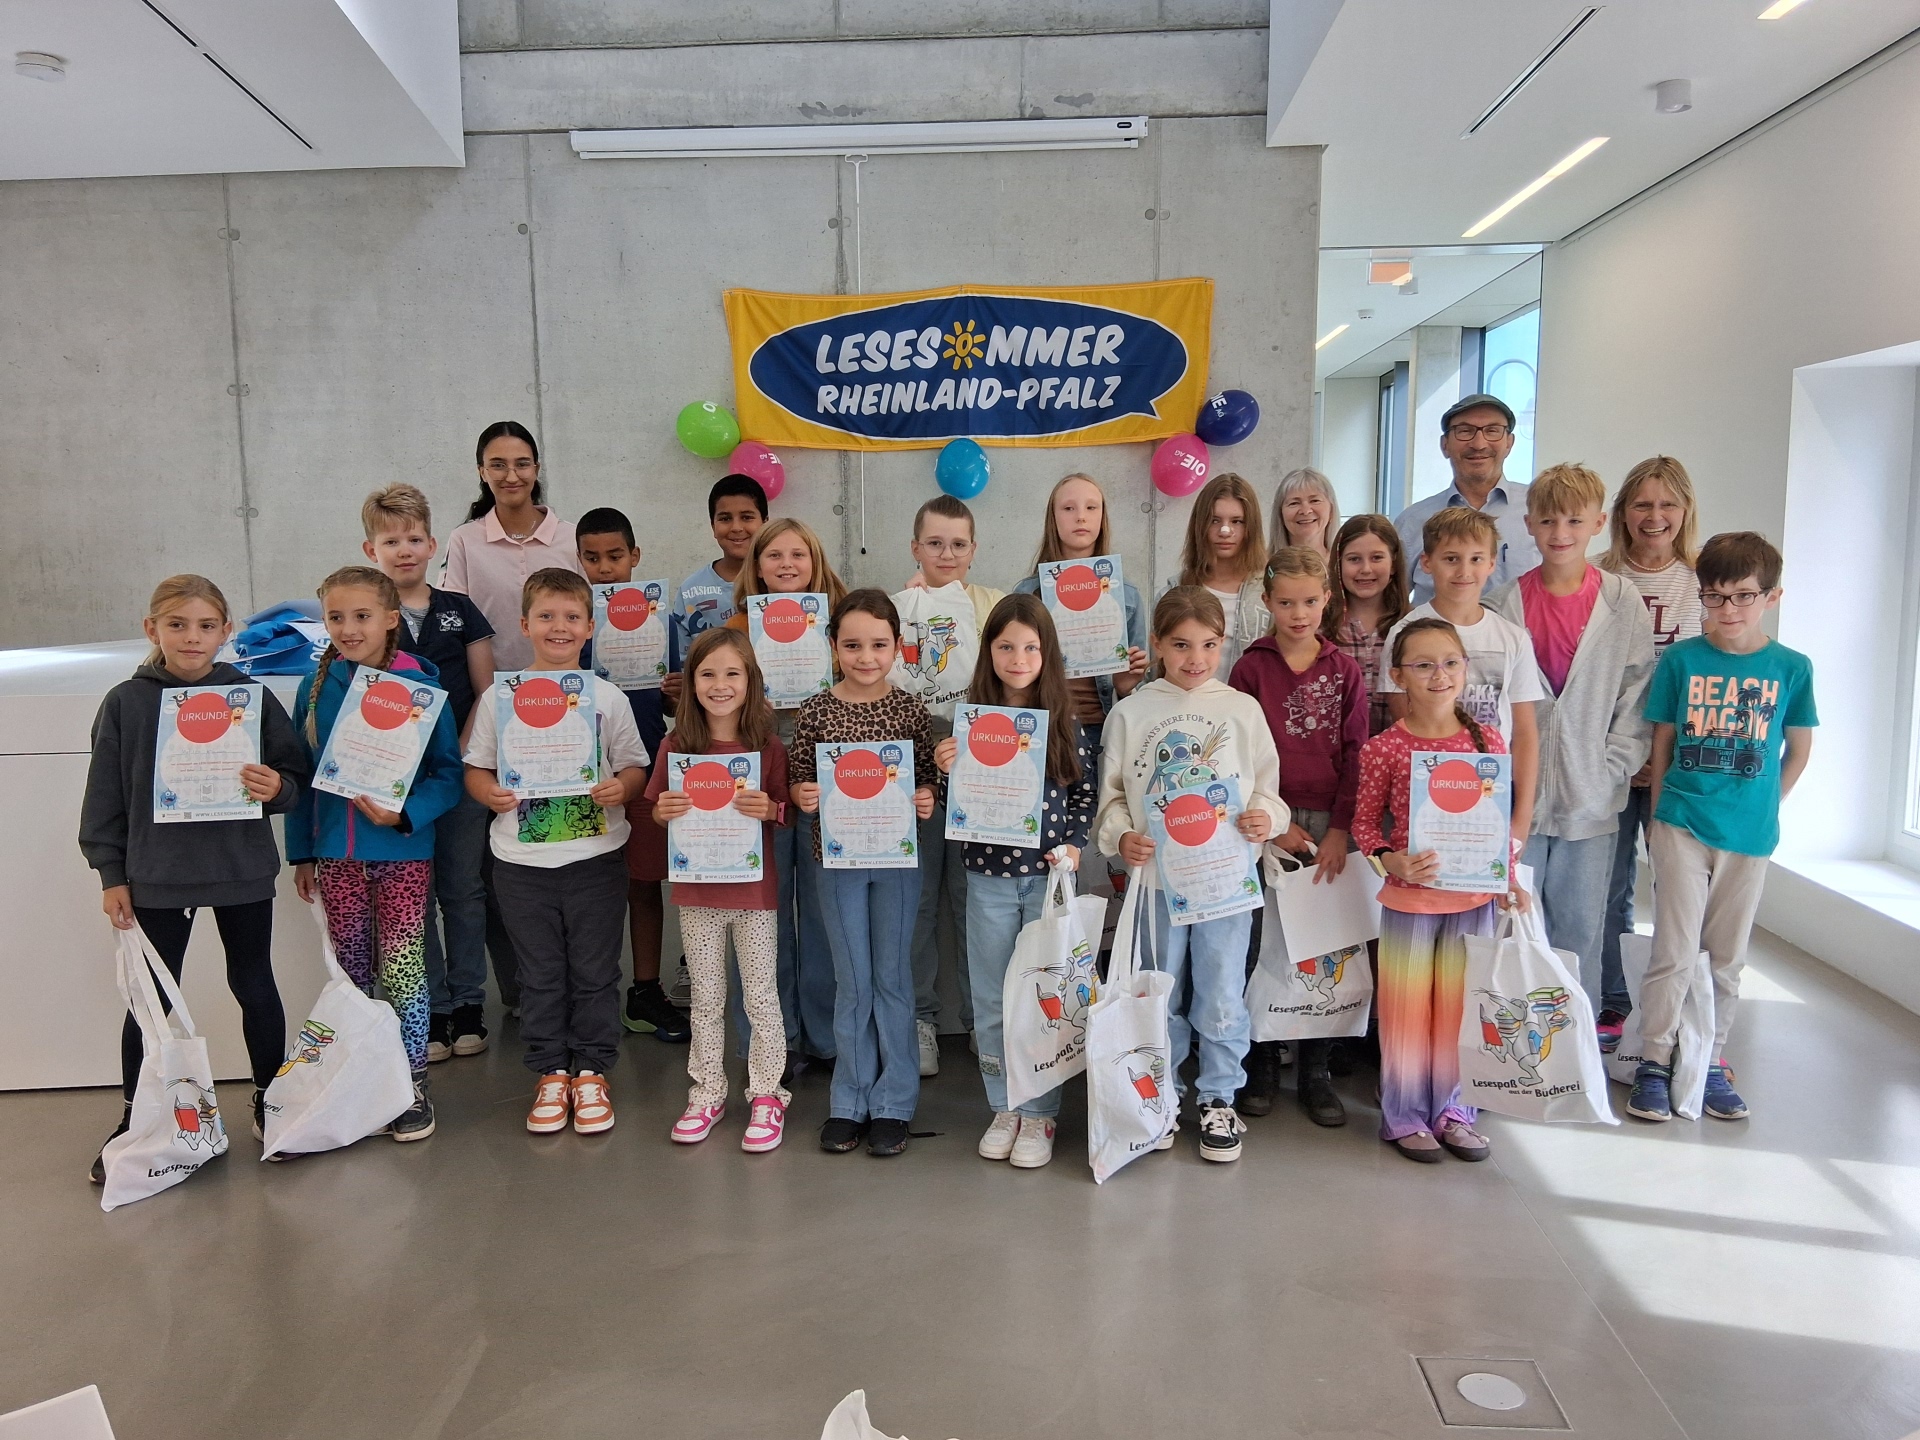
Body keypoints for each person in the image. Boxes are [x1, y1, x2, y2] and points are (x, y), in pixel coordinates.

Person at [79, 575, 309, 1182]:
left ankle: (270, 1098)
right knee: (152, 1001)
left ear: (227, 632)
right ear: (152, 629)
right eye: (177, 624)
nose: (192, 637)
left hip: (239, 868)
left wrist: (277, 788)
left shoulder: (249, 696)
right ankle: (139, 1113)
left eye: (207, 625)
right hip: (156, 875)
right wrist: (111, 874)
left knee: (255, 983)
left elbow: (294, 773)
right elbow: (104, 797)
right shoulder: (126, 702)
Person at [1095, 587, 1286, 1164]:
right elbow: (1111, 799)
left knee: (1223, 989)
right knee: (1160, 991)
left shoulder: (1241, 710)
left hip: (1225, 884)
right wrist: (1120, 838)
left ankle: (1219, 1097)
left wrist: (1266, 819)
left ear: (1223, 644)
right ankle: (1163, 1094)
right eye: (1179, 645)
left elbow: (1266, 789)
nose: (1193, 658)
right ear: (1156, 644)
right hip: (1157, 884)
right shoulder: (1131, 713)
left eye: (1206, 645)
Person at [1629, 532, 1815, 1124]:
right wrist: (1659, 818)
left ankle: (1709, 1057)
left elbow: (1798, 750)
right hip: (1682, 821)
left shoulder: (1792, 668)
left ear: (1771, 597)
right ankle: (1656, 1060)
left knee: (1727, 955)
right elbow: (1662, 741)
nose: (1727, 610)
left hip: (1750, 833)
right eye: (1714, 597)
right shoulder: (1683, 660)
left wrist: (1765, 804)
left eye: (1741, 597)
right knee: (1674, 950)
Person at [463, 569, 650, 1136]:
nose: (559, 627)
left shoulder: (607, 697)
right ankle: (550, 1072)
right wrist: (487, 792)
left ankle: (592, 1069)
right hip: (521, 863)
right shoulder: (501, 698)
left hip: (595, 857)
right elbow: (477, 767)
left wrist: (625, 788)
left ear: (590, 627)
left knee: (595, 971)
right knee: (539, 974)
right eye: (546, 616)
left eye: (571, 617)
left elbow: (635, 765)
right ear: (524, 626)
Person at [288, 565, 466, 1141]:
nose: (347, 627)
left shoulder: (422, 683)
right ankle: (358, 1080)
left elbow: (448, 773)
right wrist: (302, 853)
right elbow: (300, 774)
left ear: (391, 619)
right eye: (336, 617)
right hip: (336, 856)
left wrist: (406, 812)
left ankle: (411, 1082)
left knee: (405, 970)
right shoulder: (315, 685)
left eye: (361, 616)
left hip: (403, 851)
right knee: (352, 972)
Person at [1351, 618, 1528, 1163]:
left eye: (1450, 662)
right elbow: (1363, 826)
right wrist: (1390, 858)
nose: (1439, 675)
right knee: (1405, 1013)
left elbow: (1495, 826)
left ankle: (1455, 1111)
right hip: (1410, 899)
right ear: (1398, 674)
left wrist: (1509, 879)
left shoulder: (1488, 740)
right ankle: (1403, 1116)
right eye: (1423, 664)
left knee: (1456, 1009)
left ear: (1465, 670)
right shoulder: (1384, 748)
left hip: (1471, 900)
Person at [934, 594, 1096, 1170]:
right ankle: (1004, 1104)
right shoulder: (971, 722)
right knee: (992, 998)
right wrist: (947, 767)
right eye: (1006, 646)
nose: (1018, 657)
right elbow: (960, 808)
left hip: (1048, 882)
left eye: (1031, 646)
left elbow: (1082, 796)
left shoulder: (1065, 723)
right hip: (988, 881)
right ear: (989, 652)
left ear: (1046, 652)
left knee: (1043, 999)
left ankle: (1043, 1111)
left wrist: (1074, 846)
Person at [1487, 464, 1655, 1014]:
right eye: (1549, 519)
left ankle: (1573, 1049)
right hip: (1521, 800)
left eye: (1575, 520)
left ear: (1599, 524)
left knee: (1581, 926)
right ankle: (1518, 1052)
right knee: (1515, 922)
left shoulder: (1621, 600)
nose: (1561, 531)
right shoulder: (1507, 603)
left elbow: (1636, 690)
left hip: (1592, 797)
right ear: (1529, 524)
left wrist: (1613, 765)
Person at [789, 590, 939, 1158]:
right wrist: (802, 794)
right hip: (837, 864)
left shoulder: (909, 709)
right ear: (833, 647)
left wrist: (926, 796)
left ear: (897, 648)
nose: (866, 656)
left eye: (878, 645)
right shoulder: (816, 710)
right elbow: (800, 779)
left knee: (892, 978)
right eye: (852, 645)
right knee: (852, 980)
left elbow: (928, 779)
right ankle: (848, 1100)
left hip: (897, 864)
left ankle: (894, 1102)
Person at [1228, 548, 1368, 1126]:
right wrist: (1274, 822)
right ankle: (1260, 1062)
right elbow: (1236, 754)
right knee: (1261, 946)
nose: (1298, 612)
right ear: (1266, 603)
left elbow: (1358, 754)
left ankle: (1315, 1069)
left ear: (1327, 599)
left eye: (1310, 601)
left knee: (1324, 950)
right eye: (1285, 602)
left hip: (1327, 829)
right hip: (1265, 827)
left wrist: (1338, 830)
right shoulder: (1250, 667)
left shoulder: (1344, 669)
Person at [361, 484, 498, 1064]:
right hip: (397, 785)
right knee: (413, 899)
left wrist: (462, 752)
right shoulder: (371, 621)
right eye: (391, 540)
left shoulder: (459, 610)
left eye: (414, 538)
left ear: (433, 544)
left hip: (460, 773)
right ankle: (433, 1007)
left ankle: (469, 1003)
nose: (404, 550)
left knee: (464, 890)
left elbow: (486, 692)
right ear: (372, 550)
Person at [646, 630, 794, 1151]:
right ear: (690, 684)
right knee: (706, 998)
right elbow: (659, 809)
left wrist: (771, 811)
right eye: (707, 674)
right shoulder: (676, 746)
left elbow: (785, 809)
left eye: (733, 673)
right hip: (697, 893)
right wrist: (663, 812)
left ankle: (767, 1094)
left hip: (754, 894)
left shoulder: (767, 746)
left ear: (751, 681)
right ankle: (707, 1090)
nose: (720, 684)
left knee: (761, 995)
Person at [726, 518, 847, 1068]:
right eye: (774, 555)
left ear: (816, 562)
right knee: (764, 909)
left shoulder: (839, 625)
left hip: (826, 765)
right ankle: (774, 1043)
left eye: (799, 553)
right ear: (756, 566)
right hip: (757, 763)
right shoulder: (736, 628)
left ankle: (824, 1036)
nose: (786, 564)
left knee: (823, 909)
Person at [892, 495, 1005, 1078]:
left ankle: (982, 1024)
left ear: (974, 549)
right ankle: (921, 1020)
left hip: (981, 768)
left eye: (958, 544)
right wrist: (912, 612)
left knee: (974, 901)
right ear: (915, 548)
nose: (947, 554)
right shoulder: (895, 609)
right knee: (918, 900)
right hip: (909, 768)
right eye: (934, 543)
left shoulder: (995, 606)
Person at [1595, 456, 1703, 1048]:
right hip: (1609, 761)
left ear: (1684, 511)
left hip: (1681, 767)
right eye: (1642, 504)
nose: (1654, 516)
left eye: (1667, 505)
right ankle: (1611, 999)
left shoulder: (1700, 583)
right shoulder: (1599, 578)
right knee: (1610, 893)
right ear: (1621, 513)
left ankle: (1675, 1009)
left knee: (1678, 896)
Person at [570, 506, 686, 1044]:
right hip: (579, 775)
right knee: (587, 889)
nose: (606, 568)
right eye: (592, 558)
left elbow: (688, 707)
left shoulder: (666, 625)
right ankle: (585, 992)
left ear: (635, 556)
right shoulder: (575, 624)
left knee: (644, 883)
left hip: (645, 766)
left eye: (615, 556)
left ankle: (644, 991)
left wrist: (676, 696)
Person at [1377, 506, 1540, 845]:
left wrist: (1521, 818)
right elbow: (1402, 719)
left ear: (1492, 564)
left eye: (1476, 559)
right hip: (1426, 792)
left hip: (1492, 789)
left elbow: (1524, 732)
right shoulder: (1405, 632)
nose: (1464, 570)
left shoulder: (1513, 638)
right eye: (1451, 558)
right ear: (1427, 563)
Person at [442, 420, 583, 672]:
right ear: (482, 472)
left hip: (569, 688)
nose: (511, 476)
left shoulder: (573, 537)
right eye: (497, 465)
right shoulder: (463, 541)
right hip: (494, 692)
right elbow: (455, 622)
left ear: (536, 469)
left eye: (522, 464)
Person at [1393, 394, 1540, 605]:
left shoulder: (1540, 511)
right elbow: (1391, 604)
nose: (1479, 444)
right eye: (1464, 431)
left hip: (1522, 638)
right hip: (1434, 636)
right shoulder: (1412, 522)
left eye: (1492, 431)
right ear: (1445, 445)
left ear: (1509, 443)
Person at [666, 475, 768, 700]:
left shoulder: (782, 583)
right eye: (725, 518)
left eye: (747, 517)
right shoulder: (691, 591)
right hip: (715, 714)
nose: (737, 527)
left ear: (765, 523)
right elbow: (685, 669)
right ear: (713, 526)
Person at [1163, 472, 1271, 674]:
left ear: (1251, 527)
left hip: (1249, 704)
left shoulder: (1271, 594)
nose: (1224, 530)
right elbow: (1157, 674)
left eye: (1237, 521)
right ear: (1199, 525)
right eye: (1214, 520)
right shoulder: (1173, 592)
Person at [1324, 515, 1410, 737]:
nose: (1365, 569)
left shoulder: (1413, 625)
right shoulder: (1320, 627)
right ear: (1338, 563)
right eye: (1354, 559)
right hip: (1337, 753)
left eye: (1377, 558)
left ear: (1393, 563)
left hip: (1398, 754)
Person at [1270, 467, 1341, 561]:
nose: (1306, 511)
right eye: (1294, 503)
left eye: (1315, 500)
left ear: (1331, 511)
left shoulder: (1343, 566)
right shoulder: (1262, 568)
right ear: (1280, 514)